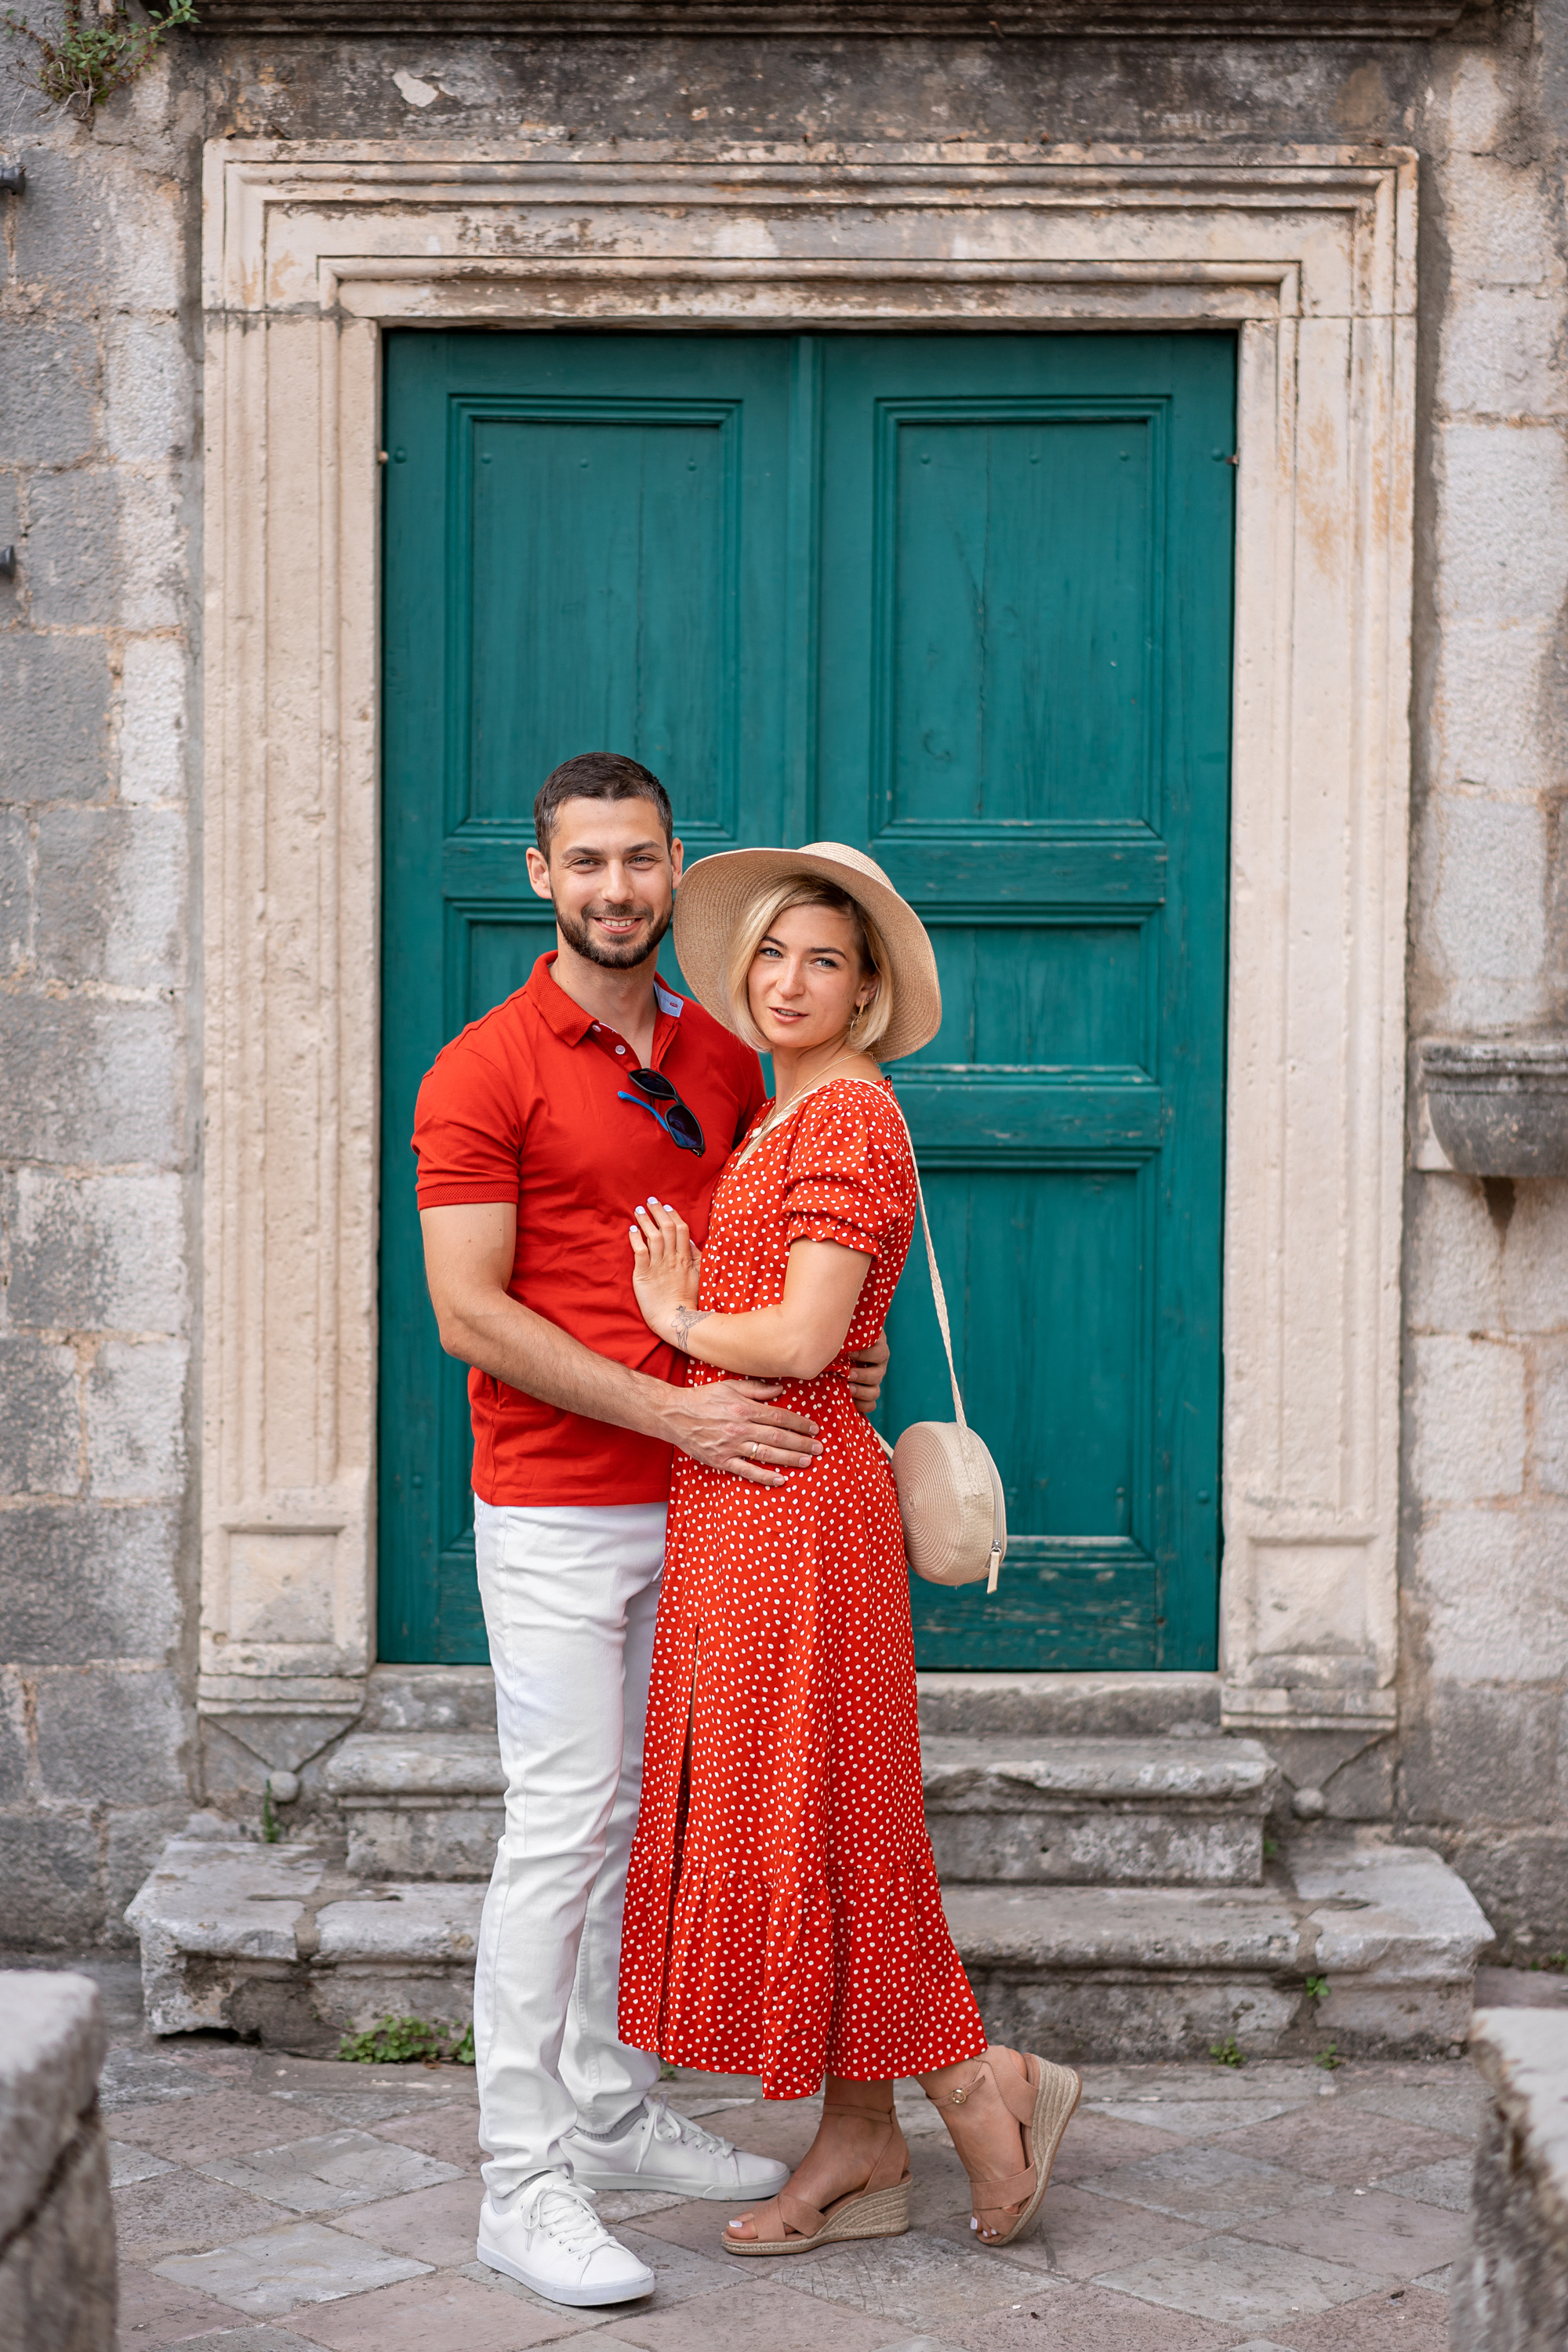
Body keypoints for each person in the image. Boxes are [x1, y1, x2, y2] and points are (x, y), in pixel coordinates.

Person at [412, 755, 891, 2308]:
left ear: (673, 868)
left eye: (640, 861)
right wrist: (670, 1403)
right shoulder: (479, 1069)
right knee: (561, 1826)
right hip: (558, 1500)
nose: (616, 889)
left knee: (647, 1824)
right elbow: (467, 1311)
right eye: (586, 863)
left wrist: (838, 1344)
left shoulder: (725, 1050)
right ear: (541, 876)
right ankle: (519, 2184)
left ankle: (611, 2113)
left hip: (716, 1502)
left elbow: (768, 1267)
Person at [617, 841, 1081, 2255]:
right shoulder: (784, 1117)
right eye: (770, 953)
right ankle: (860, 2136)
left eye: (824, 958)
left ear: (869, 987)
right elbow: (837, 1331)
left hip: (796, 1520)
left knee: (833, 1827)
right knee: (805, 1822)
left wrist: (678, 1318)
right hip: (750, 1506)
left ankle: (975, 2086)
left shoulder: (846, 1120)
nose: (790, 981)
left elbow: (805, 1339)